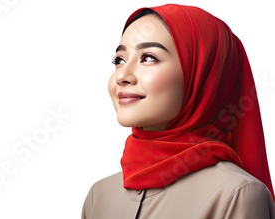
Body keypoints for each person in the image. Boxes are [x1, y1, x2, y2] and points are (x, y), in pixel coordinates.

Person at [81, 4, 275, 219]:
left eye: (148, 58)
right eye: (119, 60)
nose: (121, 76)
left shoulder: (236, 195)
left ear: (202, 75)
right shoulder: (99, 196)